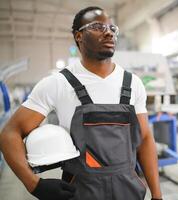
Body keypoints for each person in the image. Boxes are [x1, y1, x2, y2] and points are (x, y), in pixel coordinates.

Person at [0, 6, 162, 200]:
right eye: (98, 26)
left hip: (128, 190)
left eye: (112, 28)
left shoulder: (133, 83)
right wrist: (33, 184)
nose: (108, 32)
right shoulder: (58, 83)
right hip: (81, 192)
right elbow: (10, 133)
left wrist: (157, 195)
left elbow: (144, 140)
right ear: (79, 36)